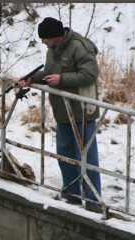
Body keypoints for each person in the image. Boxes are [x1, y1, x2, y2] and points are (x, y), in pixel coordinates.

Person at [18, 17, 102, 213]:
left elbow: (90, 75)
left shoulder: (80, 47)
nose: (42, 42)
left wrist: (61, 79)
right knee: (64, 153)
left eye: (44, 38)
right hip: (63, 111)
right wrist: (31, 78)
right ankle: (71, 194)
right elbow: (49, 73)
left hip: (82, 111)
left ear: (55, 36)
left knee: (86, 156)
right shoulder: (52, 49)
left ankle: (93, 201)